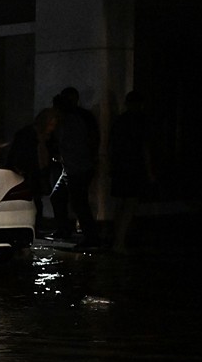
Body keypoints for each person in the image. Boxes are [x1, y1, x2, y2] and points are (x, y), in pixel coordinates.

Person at [49, 87, 100, 245]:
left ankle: (89, 236)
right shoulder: (77, 118)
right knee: (67, 199)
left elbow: (73, 144)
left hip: (77, 167)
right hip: (73, 167)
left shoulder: (72, 121)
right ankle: (69, 230)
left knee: (78, 202)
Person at [108, 90, 154, 253]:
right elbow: (145, 147)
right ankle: (120, 242)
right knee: (130, 204)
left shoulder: (120, 120)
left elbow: (112, 145)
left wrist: (111, 165)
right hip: (134, 166)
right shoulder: (141, 121)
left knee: (120, 204)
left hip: (120, 166)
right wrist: (149, 171)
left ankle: (116, 239)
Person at [6, 108, 58, 229]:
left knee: (37, 200)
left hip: (38, 172)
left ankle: (36, 226)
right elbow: (19, 154)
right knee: (31, 200)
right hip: (27, 172)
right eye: (51, 125)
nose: (52, 128)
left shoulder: (47, 138)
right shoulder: (27, 135)